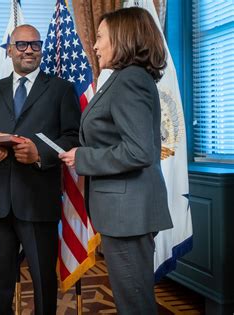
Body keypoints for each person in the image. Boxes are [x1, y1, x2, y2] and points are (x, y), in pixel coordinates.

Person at [58, 7, 173, 314]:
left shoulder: (130, 80)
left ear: (123, 38)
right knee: (131, 300)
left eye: (99, 38)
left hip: (129, 214)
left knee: (134, 303)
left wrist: (84, 157)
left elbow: (138, 151)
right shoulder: (125, 78)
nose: (94, 46)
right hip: (124, 212)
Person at [0, 24, 81, 315]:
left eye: (35, 44)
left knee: (44, 281)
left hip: (39, 202)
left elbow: (73, 138)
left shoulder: (61, 89)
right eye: (21, 45)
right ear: (9, 50)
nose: (29, 49)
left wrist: (39, 154)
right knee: (0, 284)